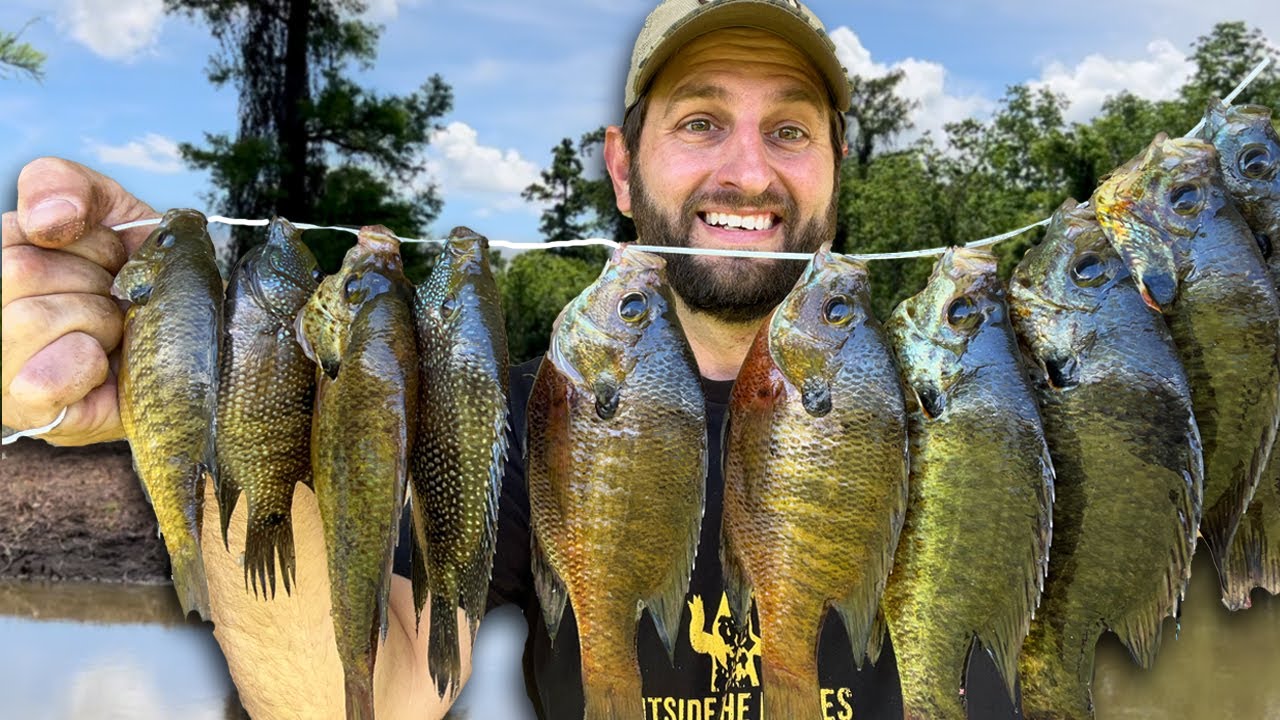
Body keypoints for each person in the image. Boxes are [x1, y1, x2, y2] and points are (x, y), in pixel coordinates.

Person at [2, 0, 1019, 717]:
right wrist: (195, 382)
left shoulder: (983, 399)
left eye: (789, 129)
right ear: (623, 171)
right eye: (700, 121)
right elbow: (357, 704)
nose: (746, 172)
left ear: (839, 166)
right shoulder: (528, 411)